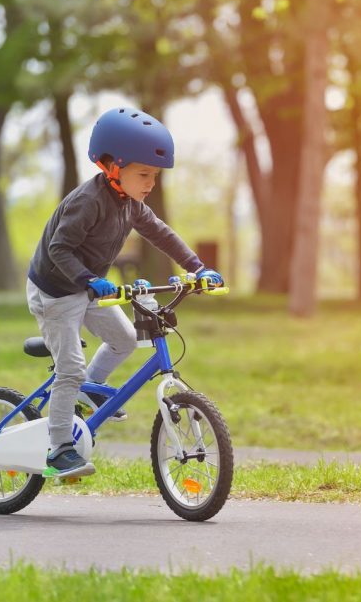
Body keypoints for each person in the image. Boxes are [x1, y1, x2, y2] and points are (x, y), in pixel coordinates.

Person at [25, 107, 223, 479]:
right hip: (54, 290)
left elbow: (162, 234)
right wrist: (88, 280)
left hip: (86, 287)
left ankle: (90, 390)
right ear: (112, 167)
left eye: (155, 176)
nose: (151, 183)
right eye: (143, 174)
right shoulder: (88, 201)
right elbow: (59, 249)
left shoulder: (132, 205)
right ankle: (59, 448)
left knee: (125, 339)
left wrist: (196, 268)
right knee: (70, 367)